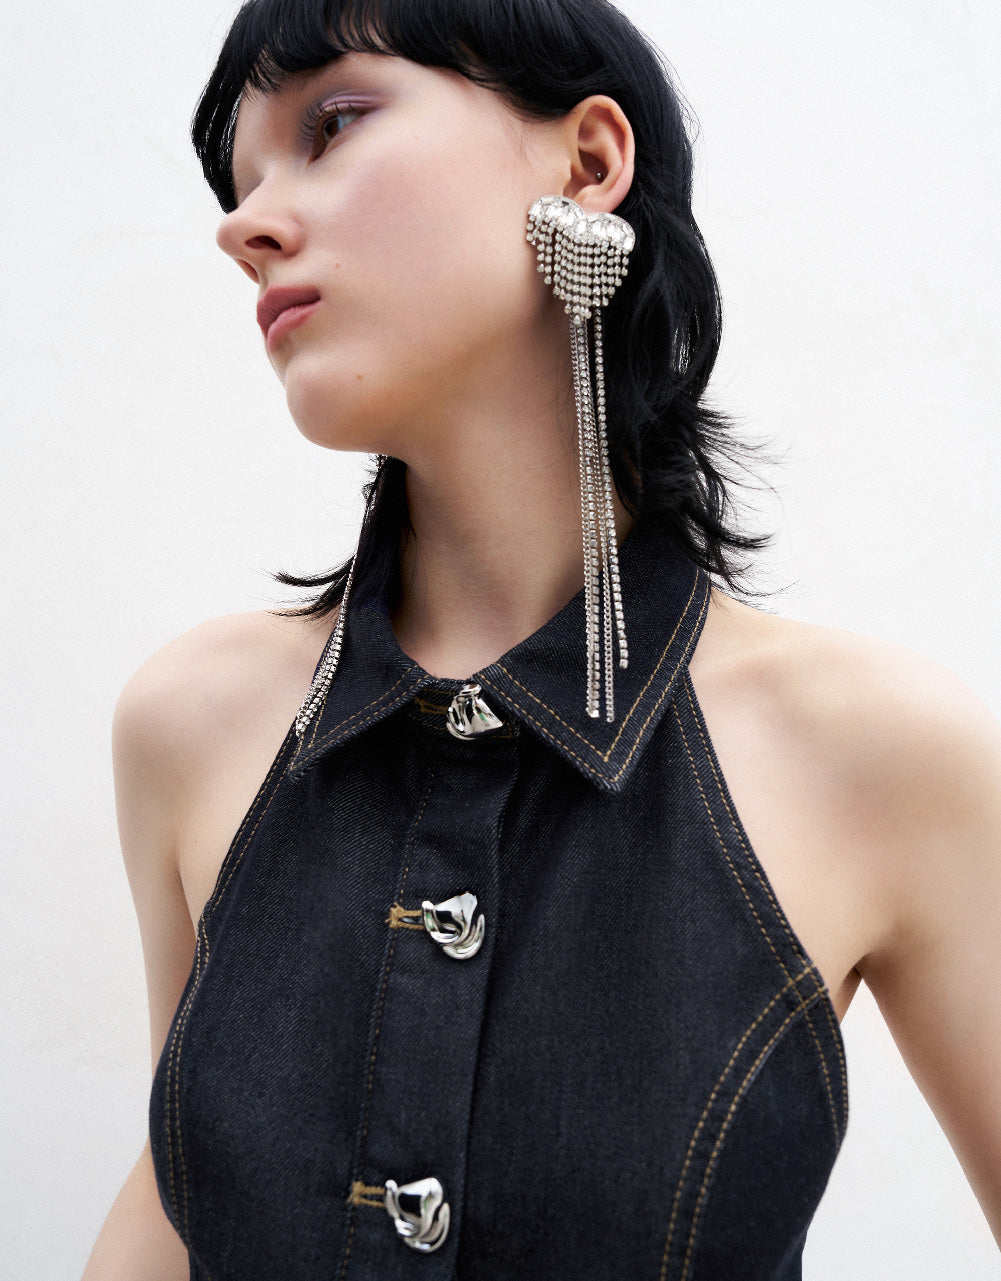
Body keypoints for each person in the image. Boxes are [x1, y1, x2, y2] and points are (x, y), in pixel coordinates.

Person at [83, 0, 1001, 1277]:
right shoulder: (190, 724)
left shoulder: (877, 752)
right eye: (240, 187)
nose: (243, 228)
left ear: (587, 161)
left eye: (332, 123)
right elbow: (179, 1195)